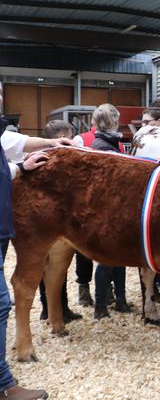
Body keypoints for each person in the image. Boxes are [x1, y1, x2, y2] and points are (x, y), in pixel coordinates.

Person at [0, 81, 53, 400]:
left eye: (0, 94)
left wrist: (19, 166)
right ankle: (4, 384)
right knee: (1, 303)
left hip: (1, 227)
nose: (0, 99)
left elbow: (13, 143)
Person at [90, 104, 133, 319]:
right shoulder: (104, 146)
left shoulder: (108, 142)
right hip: (108, 210)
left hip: (115, 209)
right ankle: (101, 306)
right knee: (107, 260)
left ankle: (120, 300)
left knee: (118, 258)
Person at [37, 121, 83, 324]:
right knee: (54, 267)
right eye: (70, 135)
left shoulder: (37, 155)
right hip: (54, 219)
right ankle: (55, 309)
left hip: (43, 219)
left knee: (47, 265)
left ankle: (51, 309)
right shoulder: (56, 158)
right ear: (63, 135)